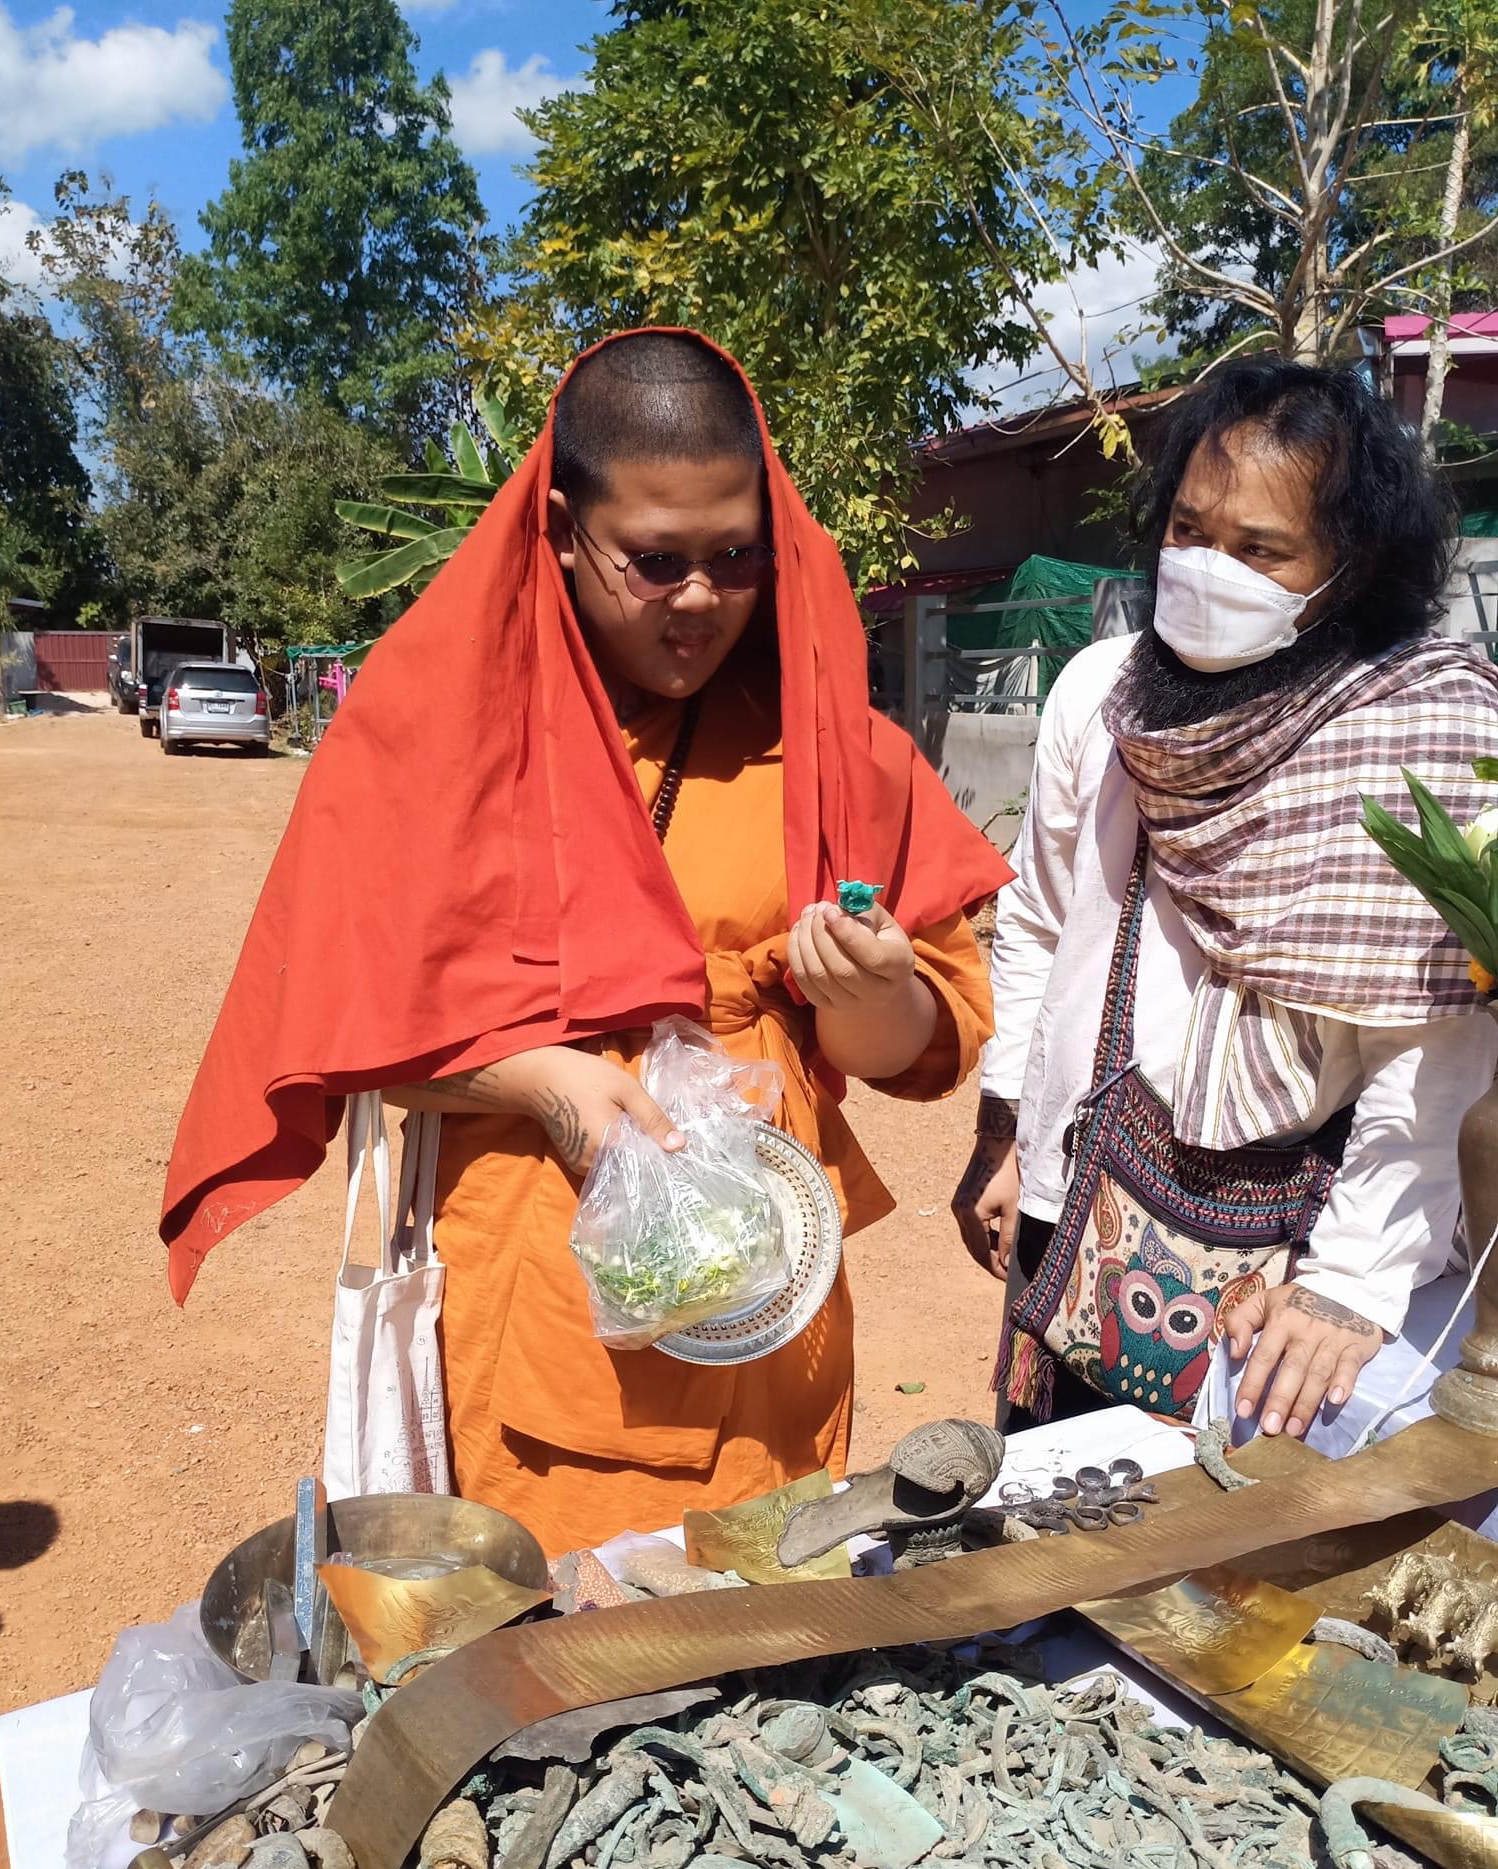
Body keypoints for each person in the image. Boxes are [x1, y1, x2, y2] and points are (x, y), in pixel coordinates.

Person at [163, 329, 1005, 1552]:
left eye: (736, 555)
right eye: (654, 561)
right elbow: (336, 1023)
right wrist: (542, 1080)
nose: (704, 599)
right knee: (562, 1657)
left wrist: (870, 996)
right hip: (554, 1307)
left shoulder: (829, 746)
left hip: (775, 1308)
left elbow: (917, 1044)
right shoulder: (437, 735)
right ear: (561, 526)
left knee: (771, 1624)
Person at [954, 357, 1498, 1442]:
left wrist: (1350, 1279)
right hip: (1079, 1194)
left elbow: (1431, 1041)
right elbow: (1040, 922)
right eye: (1190, 531)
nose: (1210, 570)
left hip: (1292, 1256)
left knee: (1227, 1580)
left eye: (1261, 549)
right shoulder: (1102, 692)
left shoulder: (1413, 732)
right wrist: (1004, 1128)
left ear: (1348, 571)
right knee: (1049, 1541)